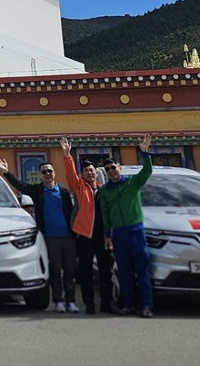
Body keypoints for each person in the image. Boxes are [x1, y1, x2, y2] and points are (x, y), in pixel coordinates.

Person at [0, 152, 78, 312]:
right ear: (40, 175)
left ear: (54, 173)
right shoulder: (37, 191)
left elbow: (72, 212)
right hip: (49, 238)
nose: (47, 174)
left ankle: (71, 301)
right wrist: (6, 172)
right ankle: (59, 301)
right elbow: (21, 185)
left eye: (50, 171)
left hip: (68, 238)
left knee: (70, 271)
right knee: (55, 271)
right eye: (44, 172)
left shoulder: (63, 192)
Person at [99, 136, 154, 317]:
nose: (111, 171)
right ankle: (128, 304)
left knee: (142, 270)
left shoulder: (133, 182)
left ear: (119, 168)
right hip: (119, 234)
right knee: (124, 272)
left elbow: (147, 171)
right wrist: (108, 235)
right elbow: (105, 213)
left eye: (113, 168)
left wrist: (144, 153)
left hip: (136, 231)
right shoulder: (105, 191)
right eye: (107, 170)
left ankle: (145, 306)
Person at [59, 137, 113, 314]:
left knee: (105, 271)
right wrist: (67, 155)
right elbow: (70, 174)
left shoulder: (104, 190)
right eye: (86, 171)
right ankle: (89, 304)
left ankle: (106, 302)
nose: (90, 173)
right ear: (82, 174)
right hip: (84, 236)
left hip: (103, 236)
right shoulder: (80, 187)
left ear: (96, 173)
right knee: (86, 271)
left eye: (92, 171)